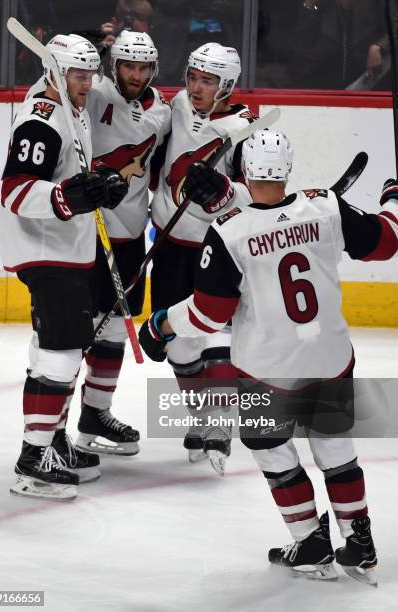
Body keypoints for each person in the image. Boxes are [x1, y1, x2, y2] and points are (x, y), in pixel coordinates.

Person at [139, 129, 398, 582]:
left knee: (270, 447)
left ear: (242, 172)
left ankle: (310, 543)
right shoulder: (326, 207)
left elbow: (207, 314)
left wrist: (161, 323)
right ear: (287, 169)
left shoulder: (228, 232)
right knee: (335, 446)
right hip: (330, 355)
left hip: (268, 370)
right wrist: (394, 200)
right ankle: (359, 543)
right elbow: (386, 242)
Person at [0, 34, 128, 500]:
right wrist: (67, 197)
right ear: (54, 70)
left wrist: (98, 185)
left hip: (64, 246)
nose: (88, 83)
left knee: (55, 349)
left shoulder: (71, 108)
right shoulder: (42, 119)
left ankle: (51, 440)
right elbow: (15, 191)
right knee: (62, 351)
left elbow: (68, 179)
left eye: (91, 73)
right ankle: (33, 460)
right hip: (44, 248)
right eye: (78, 74)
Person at [150, 42, 255, 474]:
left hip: (217, 249)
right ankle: (201, 418)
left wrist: (227, 192)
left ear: (226, 85)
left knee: (215, 333)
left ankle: (219, 424)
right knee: (179, 341)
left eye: (207, 81)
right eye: (193, 77)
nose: (195, 87)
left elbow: (261, 197)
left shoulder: (246, 127)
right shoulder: (175, 104)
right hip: (171, 243)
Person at [71, 29, 171, 456]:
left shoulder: (163, 111)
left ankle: (96, 411)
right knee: (72, 333)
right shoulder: (94, 95)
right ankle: (54, 428)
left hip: (131, 236)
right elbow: (64, 81)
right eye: (128, 64)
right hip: (86, 233)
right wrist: (88, 41)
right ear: (114, 65)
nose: (135, 73)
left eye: (143, 66)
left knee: (112, 331)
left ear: (153, 69)